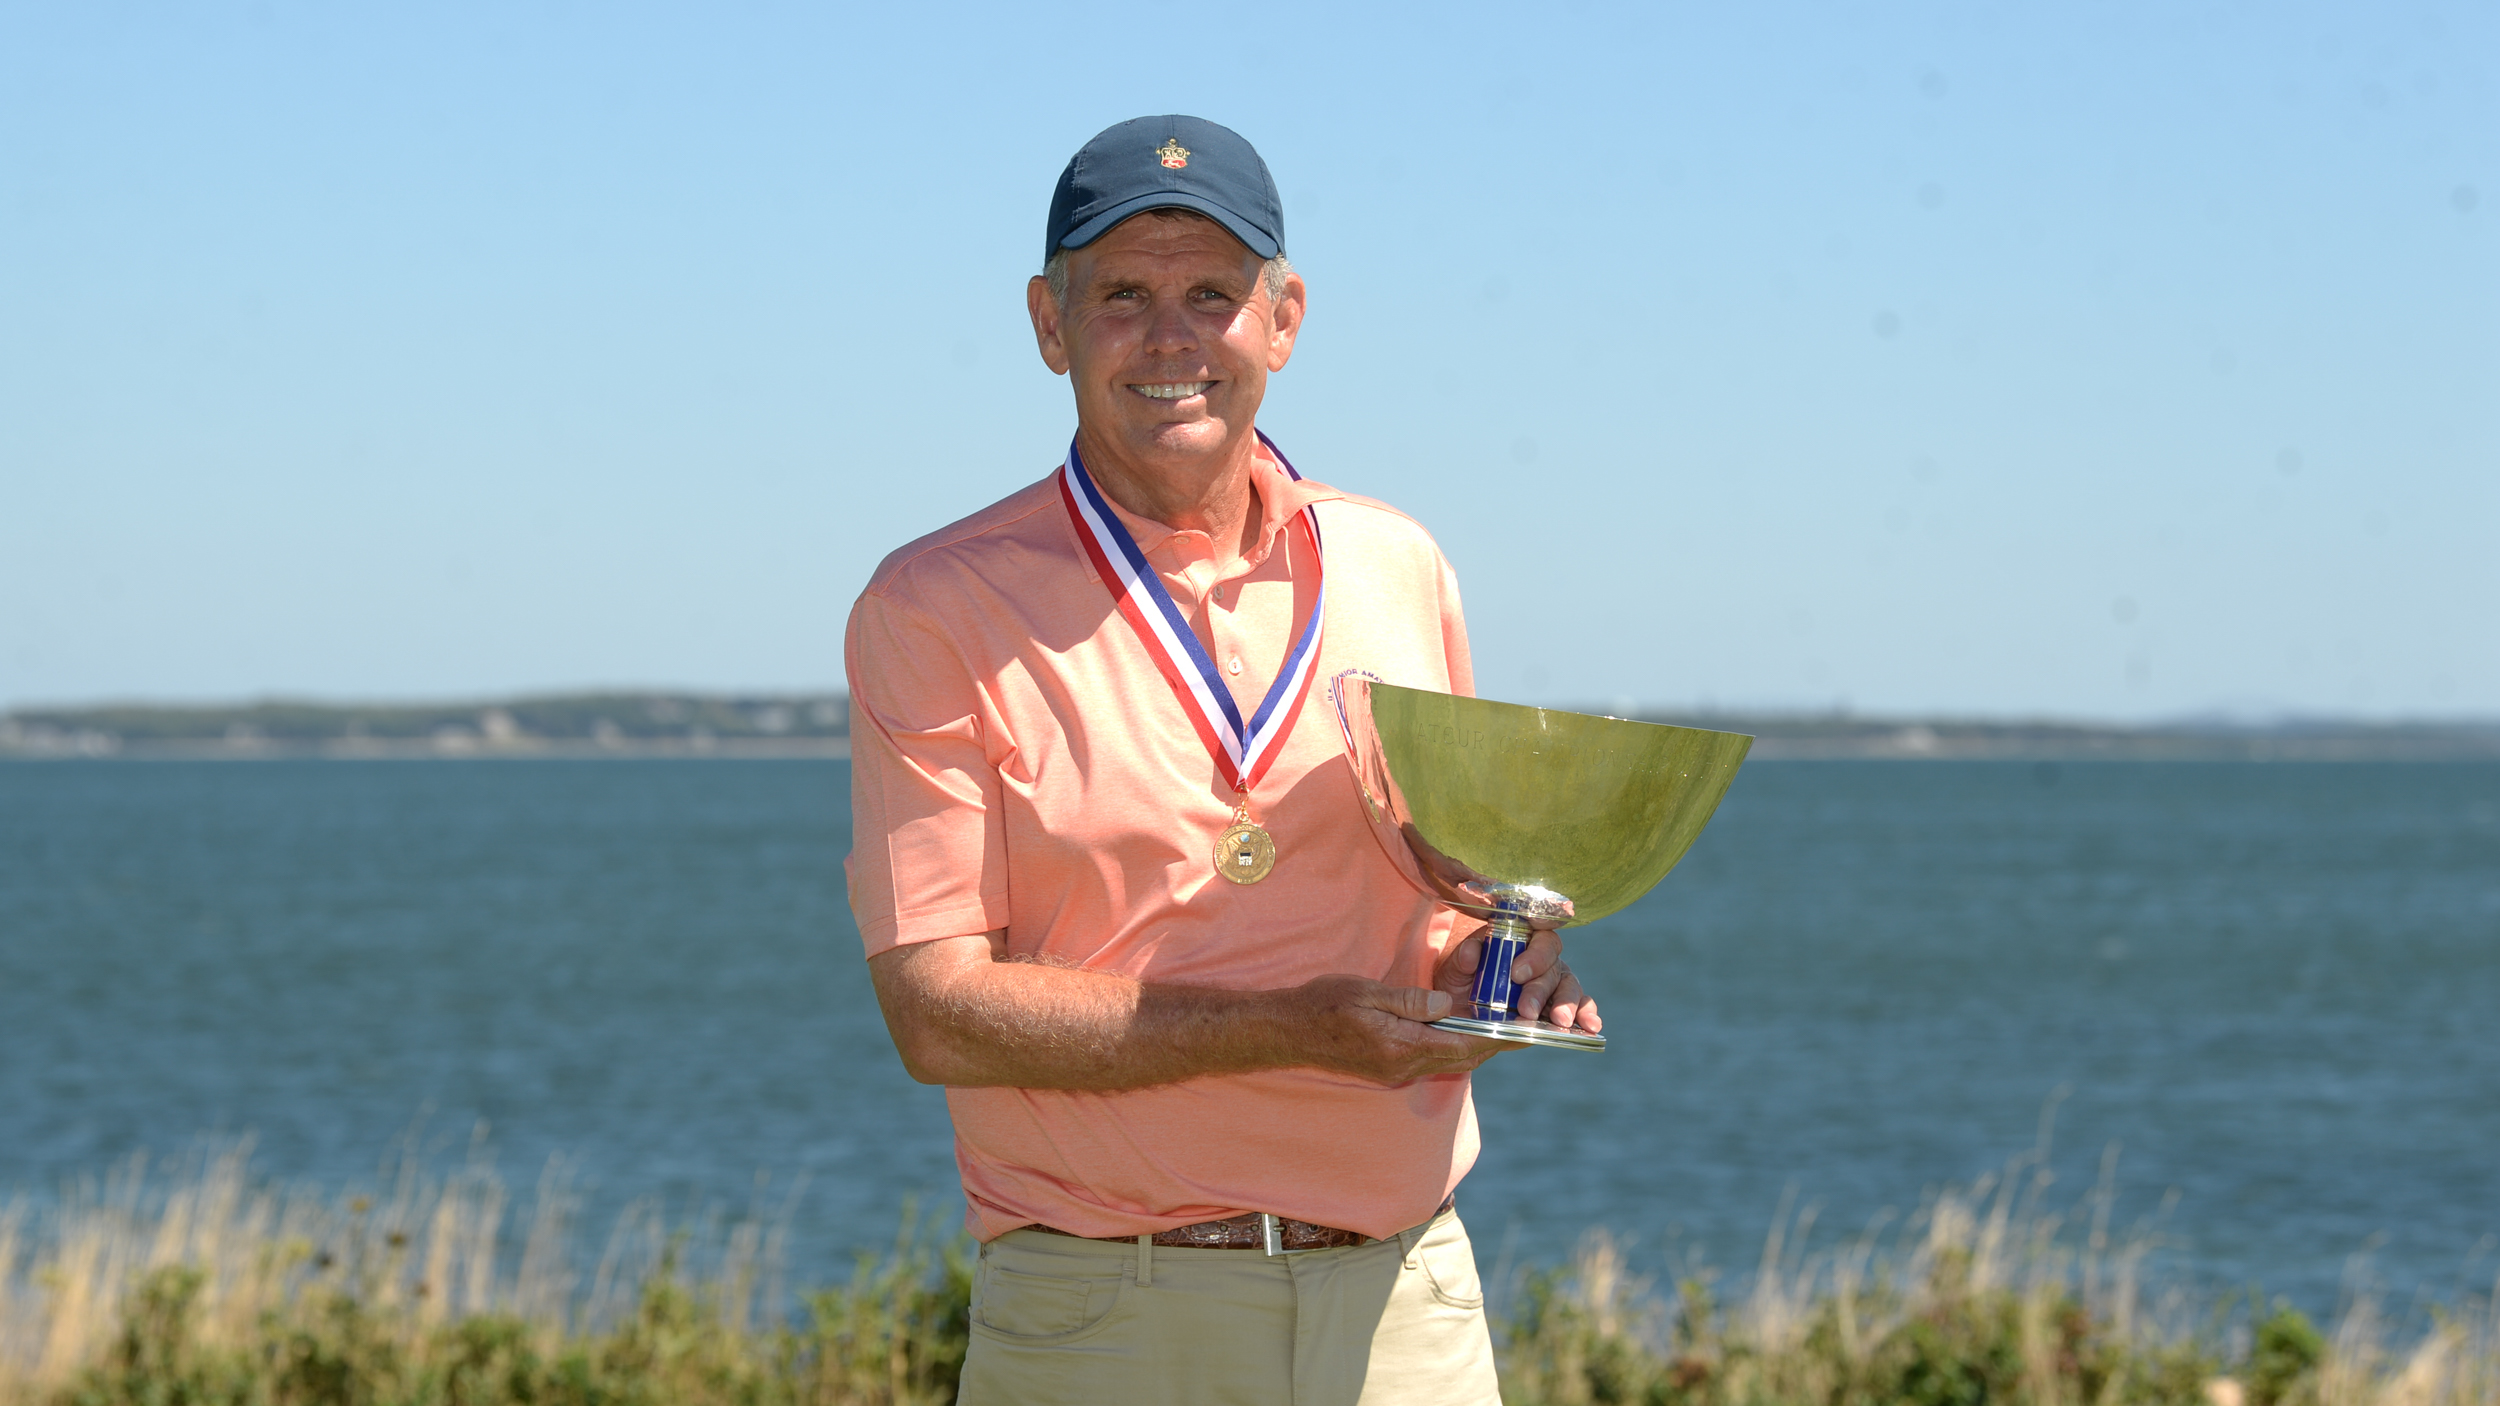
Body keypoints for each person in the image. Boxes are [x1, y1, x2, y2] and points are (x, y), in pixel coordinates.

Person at [843, 114, 1602, 1406]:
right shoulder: (936, 603)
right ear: (1048, 322)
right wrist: (1287, 1031)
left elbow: (1449, 898)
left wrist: (1496, 976)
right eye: (1122, 294)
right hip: (1107, 1314)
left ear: (1285, 317)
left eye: (1213, 293)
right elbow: (936, 1011)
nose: (1170, 337)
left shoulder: (1395, 564)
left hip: (1405, 1307)